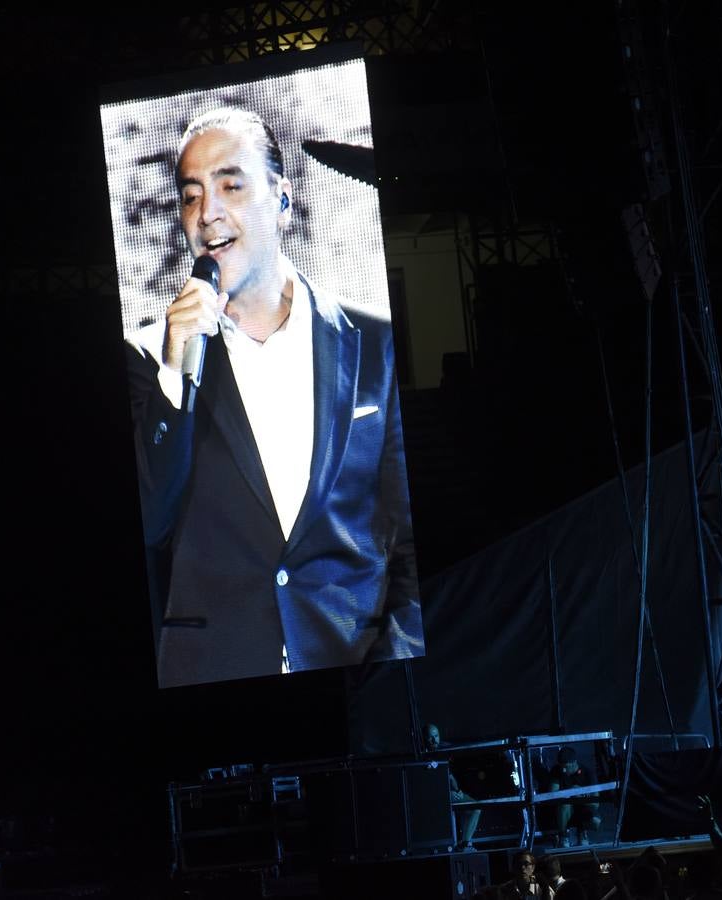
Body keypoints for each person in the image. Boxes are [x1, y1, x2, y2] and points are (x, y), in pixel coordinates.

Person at [126, 106, 423, 686]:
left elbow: (408, 537)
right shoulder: (147, 358)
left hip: (357, 671)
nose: (207, 213)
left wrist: (395, 659)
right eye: (190, 196)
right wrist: (174, 373)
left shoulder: (374, 342)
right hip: (216, 672)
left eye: (230, 186)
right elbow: (151, 524)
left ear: (283, 200)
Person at [423, 723, 481, 846]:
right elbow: (427, 787)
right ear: (424, 739)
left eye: (436, 736)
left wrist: (458, 791)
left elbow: (451, 776)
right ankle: (464, 843)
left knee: (475, 807)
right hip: (436, 797)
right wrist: (447, 793)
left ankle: (465, 843)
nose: (434, 740)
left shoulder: (445, 750)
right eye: (430, 737)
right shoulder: (422, 758)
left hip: (451, 793)